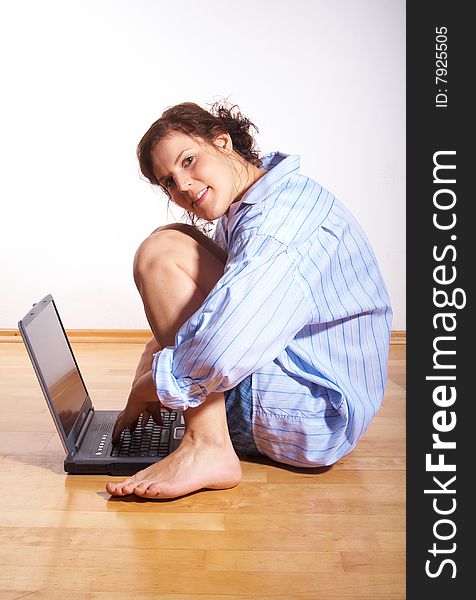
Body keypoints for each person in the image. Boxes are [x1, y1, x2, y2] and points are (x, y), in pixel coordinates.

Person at [105, 101, 392, 499]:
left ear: (222, 141)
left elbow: (221, 350)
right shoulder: (259, 199)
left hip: (314, 413)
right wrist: (155, 354)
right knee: (176, 236)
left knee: (161, 253)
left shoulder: (278, 228)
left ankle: (208, 447)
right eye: (168, 182)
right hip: (311, 388)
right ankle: (202, 435)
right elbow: (215, 311)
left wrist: (145, 388)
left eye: (189, 161)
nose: (183, 186)